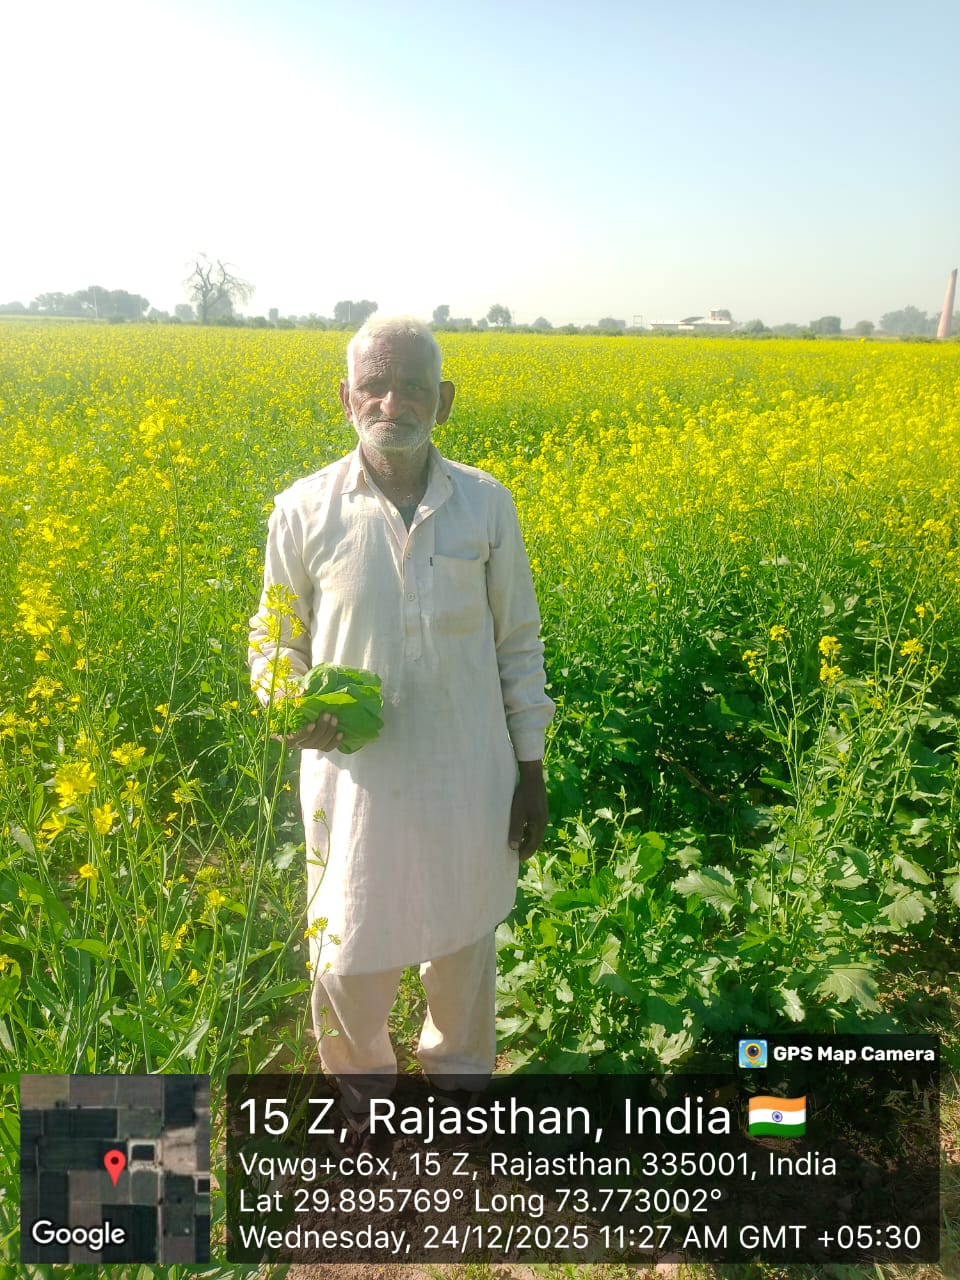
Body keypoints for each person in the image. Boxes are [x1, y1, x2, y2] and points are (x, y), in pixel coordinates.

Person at [248, 315, 554, 1110]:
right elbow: (276, 637)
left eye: (413, 385)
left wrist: (531, 770)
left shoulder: (486, 504)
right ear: (345, 395)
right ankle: (362, 1095)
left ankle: (459, 1084)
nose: (393, 401)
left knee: (465, 934)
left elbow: (518, 641)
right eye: (375, 385)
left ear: (443, 400)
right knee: (348, 936)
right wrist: (285, 702)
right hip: (357, 781)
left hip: (470, 770)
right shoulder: (303, 510)